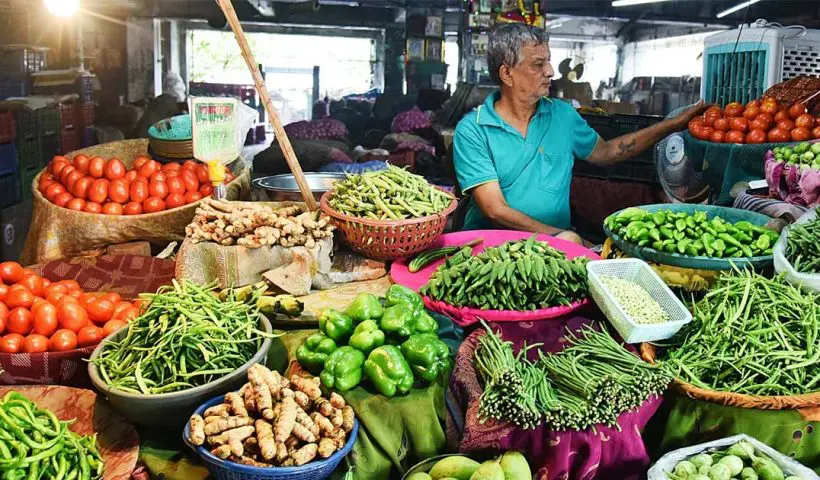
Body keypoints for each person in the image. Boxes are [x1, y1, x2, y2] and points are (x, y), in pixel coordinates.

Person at [453, 23, 709, 243]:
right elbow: (494, 209)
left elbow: (607, 153)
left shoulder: (563, 116)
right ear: (507, 73)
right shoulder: (473, 130)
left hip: (551, 251)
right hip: (487, 248)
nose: (550, 71)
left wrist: (672, 124)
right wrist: (558, 235)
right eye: (538, 64)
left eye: (549, 61)